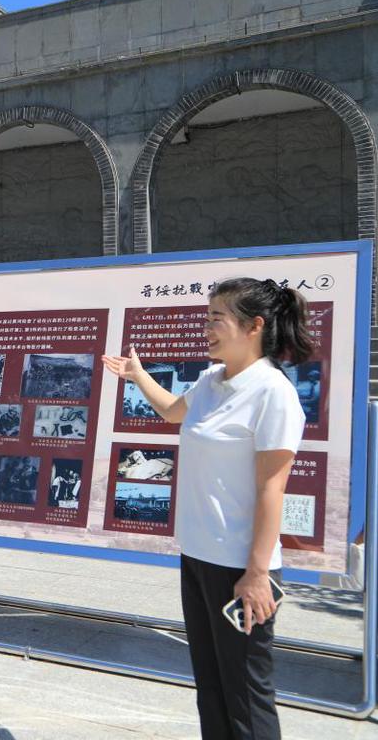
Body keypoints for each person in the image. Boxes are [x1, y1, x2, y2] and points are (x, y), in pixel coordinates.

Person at [103, 277, 311, 740]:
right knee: (211, 687)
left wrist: (257, 574)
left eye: (217, 318)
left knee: (247, 697)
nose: (207, 328)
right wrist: (138, 375)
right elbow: (174, 411)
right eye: (207, 317)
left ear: (255, 326)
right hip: (198, 555)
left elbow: (271, 490)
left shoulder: (272, 393)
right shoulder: (211, 381)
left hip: (241, 566)